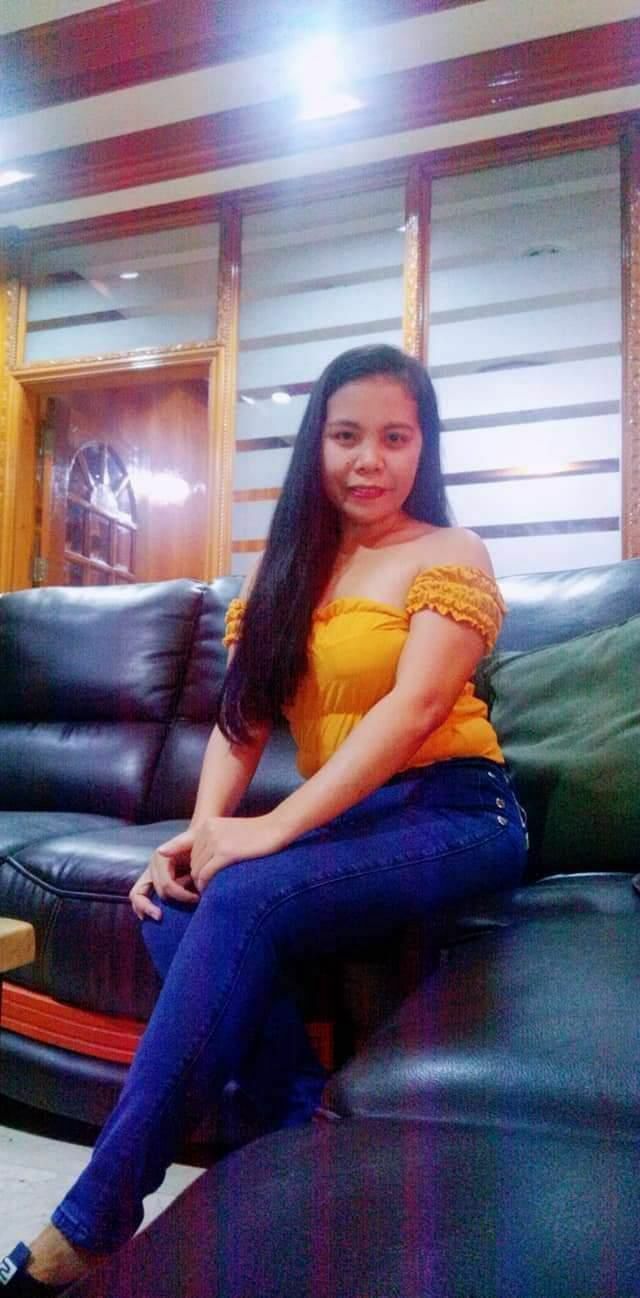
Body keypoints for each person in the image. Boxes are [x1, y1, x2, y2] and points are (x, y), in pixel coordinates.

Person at [1, 344, 528, 1294]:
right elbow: (240, 723)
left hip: (458, 807)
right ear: (315, 445)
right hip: (357, 820)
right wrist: (202, 834)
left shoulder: (450, 553)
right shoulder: (284, 573)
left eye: (395, 438)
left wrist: (268, 830)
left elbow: (413, 710)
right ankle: (300, 1136)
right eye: (346, 436)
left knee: (242, 895)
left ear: (423, 448)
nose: (369, 461)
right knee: (176, 900)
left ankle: (93, 1218)